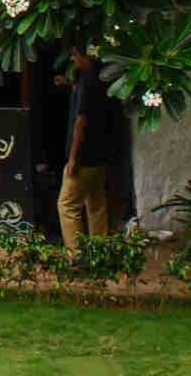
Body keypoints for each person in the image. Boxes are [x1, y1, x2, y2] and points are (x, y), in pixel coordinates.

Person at [58, 45, 126, 247]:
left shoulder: (85, 84)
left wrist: (73, 158)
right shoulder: (103, 81)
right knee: (96, 204)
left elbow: (81, 121)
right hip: (100, 155)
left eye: (75, 55)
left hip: (84, 158)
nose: (73, 59)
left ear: (85, 57)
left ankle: (76, 255)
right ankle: (100, 251)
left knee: (67, 205)